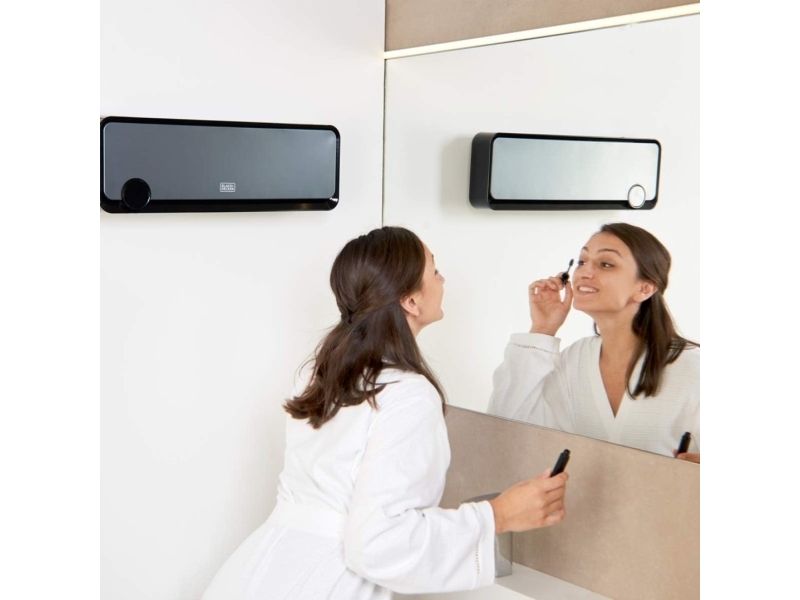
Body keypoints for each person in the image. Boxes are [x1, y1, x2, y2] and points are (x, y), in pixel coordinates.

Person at [203, 226, 569, 600]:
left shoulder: (322, 374)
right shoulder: (407, 394)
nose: (443, 280)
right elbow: (379, 544)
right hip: (326, 581)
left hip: (258, 569)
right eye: (435, 270)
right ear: (410, 301)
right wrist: (499, 514)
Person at [488, 223, 700, 462]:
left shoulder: (693, 369)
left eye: (606, 264)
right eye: (581, 262)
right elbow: (506, 428)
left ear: (645, 288)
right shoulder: (576, 360)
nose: (584, 273)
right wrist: (543, 329)